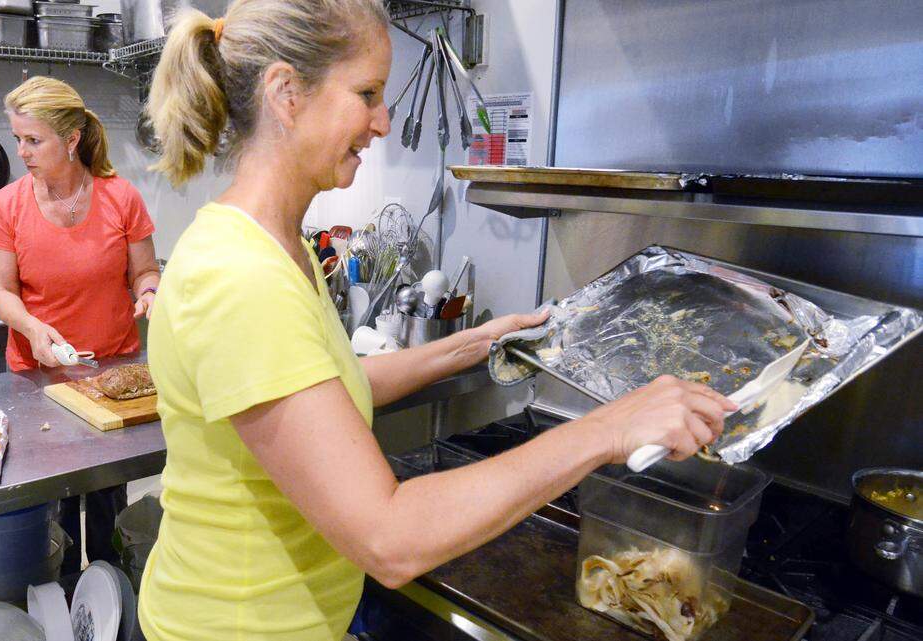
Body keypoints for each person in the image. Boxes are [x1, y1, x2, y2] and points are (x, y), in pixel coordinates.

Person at [138, 2, 736, 640]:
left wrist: (472, 346)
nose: (382, 121)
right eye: (366, 93)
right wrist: (605, 431)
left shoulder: (278, 245)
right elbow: (390, 536)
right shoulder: (241, 276)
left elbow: (328, 395)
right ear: (286, 93)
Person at [0, 76, 161, 574]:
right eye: (18, 138)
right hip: (37, 379)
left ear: (72, 139)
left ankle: (109, 599)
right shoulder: (7, 205)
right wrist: (33, 329)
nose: (22, 151)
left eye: (33, 140)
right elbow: (1, 290)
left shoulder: (120, 197)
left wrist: (148, 292)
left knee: (107, 505)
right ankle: (59, 603)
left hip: (112, 377)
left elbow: (145, 270)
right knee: (53, 512)